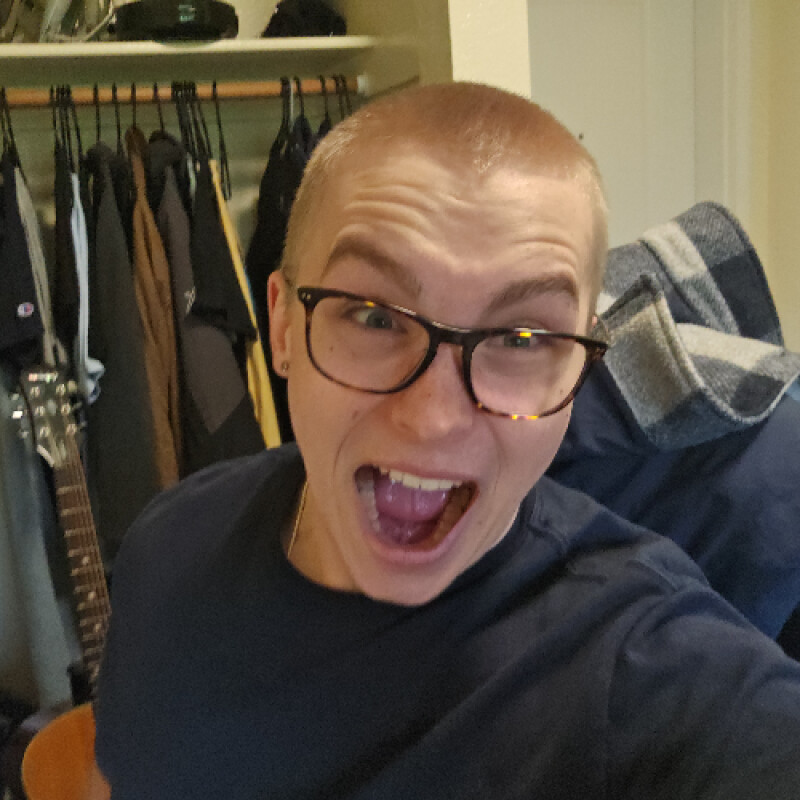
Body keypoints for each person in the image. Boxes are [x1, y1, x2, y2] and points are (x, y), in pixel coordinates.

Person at [88, 82, 800, 799]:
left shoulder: (642, 668)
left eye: (522, 338)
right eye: (373, 316)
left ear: (580, 370)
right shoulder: (167, 546)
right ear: (281, 327)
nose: (433, 419)